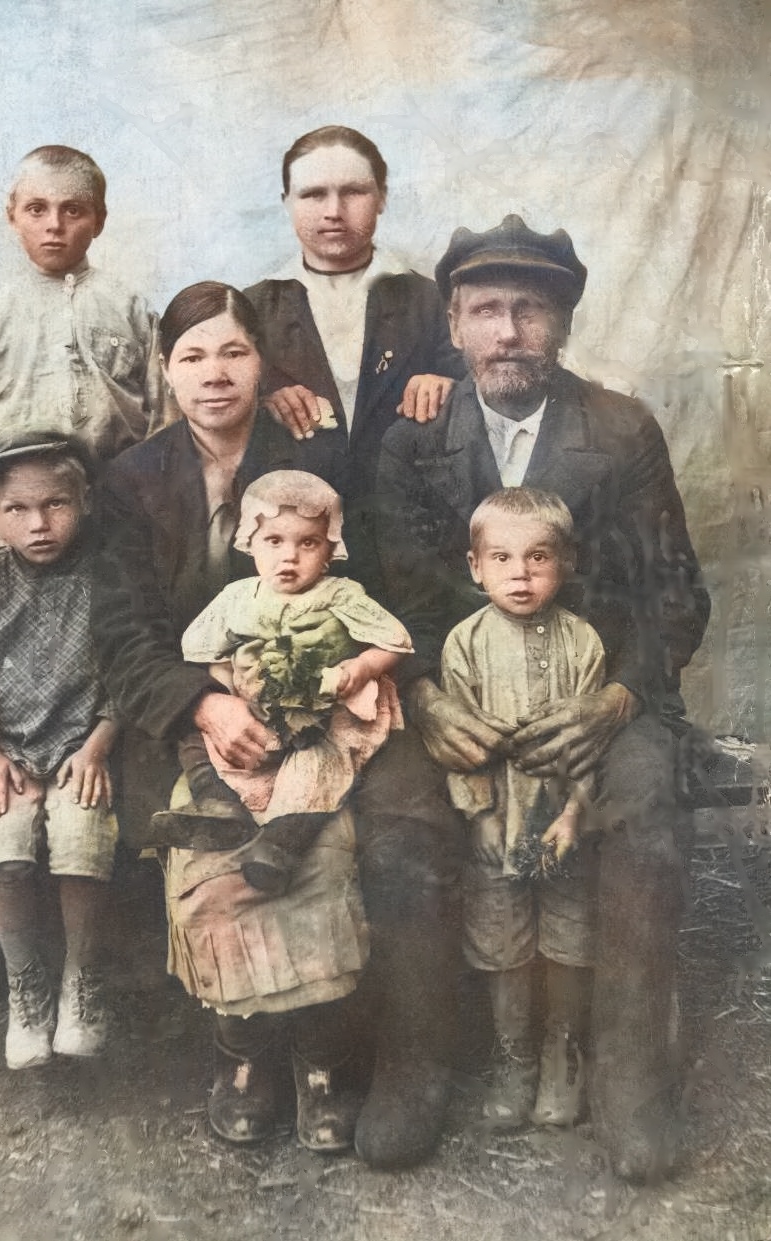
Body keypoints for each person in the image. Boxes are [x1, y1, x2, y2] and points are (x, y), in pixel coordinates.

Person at [93, 281, 463, 1167]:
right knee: (216, 840)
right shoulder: (132, 480)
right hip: (191, 711)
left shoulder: (317, 453)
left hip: (327, 701)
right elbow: (122, 634)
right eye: (193, 356)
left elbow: (386, 589)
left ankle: (333, 1053)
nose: (215, 373)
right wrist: (206, 703)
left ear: (265, 362)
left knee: (367, 827)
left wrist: (345, 680)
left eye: (234, 352)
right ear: (165, 369)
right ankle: (247, 1049)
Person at [376, 214, 711, 1181]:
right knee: (395, 803)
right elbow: (392, 598)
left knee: (642, 797)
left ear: (563, 324)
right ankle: (416, 1061)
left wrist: (617, 700)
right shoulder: (413, 439)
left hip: (594, 697)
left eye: (531, 309)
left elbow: (673, 592)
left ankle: (625, 1071)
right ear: (453, 323)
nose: (509, 331)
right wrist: (424, 697)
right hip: (458, 702)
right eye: (486, 309)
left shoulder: (620, 428)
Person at [0, 432, 119, 1070]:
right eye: (16, 509)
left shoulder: (107, 576)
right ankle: (28, 989)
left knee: (81, 835)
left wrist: (98, 745)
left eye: (55, 504)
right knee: (0, 837)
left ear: (84, 501)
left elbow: (129, 674)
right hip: (9, 754)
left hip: (83, 752)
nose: (38, 524)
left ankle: (81, 983)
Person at [433, 487, 604, 1130]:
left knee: (567, 938)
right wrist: (479, 814)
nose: (521, 574)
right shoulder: (465, 644)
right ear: (475, 567)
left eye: (538, 557)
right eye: (502, 558)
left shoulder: (582, 642)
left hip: (559, 823)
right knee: (503, 943)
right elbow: (461, 747)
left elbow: (589, 747)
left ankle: (563, 1051)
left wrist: (573, 815)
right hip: (499, 822)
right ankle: (516, 1058)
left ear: (566, 562)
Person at [164, 468, 412, 896]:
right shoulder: (239, 597)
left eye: (308, 543)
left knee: (318, 763)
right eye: (274, 541)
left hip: (322, 709)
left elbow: (394, 641)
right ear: (250, 541)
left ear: (330, 548)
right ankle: (218, 807)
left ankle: (282, 842)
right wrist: (227, 688)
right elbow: (206, 651)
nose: (290, 557)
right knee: (196, 735)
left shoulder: (339, 594)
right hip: (256, 708)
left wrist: (362, 667)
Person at [244, 125, 466, 583]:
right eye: (313, 194)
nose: (333, 211)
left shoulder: (431, 301)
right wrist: (261, 403)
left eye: (353, 192)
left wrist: (451, 386)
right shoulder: (252, 309)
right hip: (294, 550)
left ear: (381, 197)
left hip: (411, 542)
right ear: (286, 202)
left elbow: (491, 397)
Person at [0, 144, 167, 582]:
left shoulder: (131, 308)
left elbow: (163, 419)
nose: (54, 226)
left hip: (116, 517)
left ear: (99, 219)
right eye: (36, 209)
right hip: (19, 521)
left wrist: (159, 516)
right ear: (12, 215)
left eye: (73, 210)